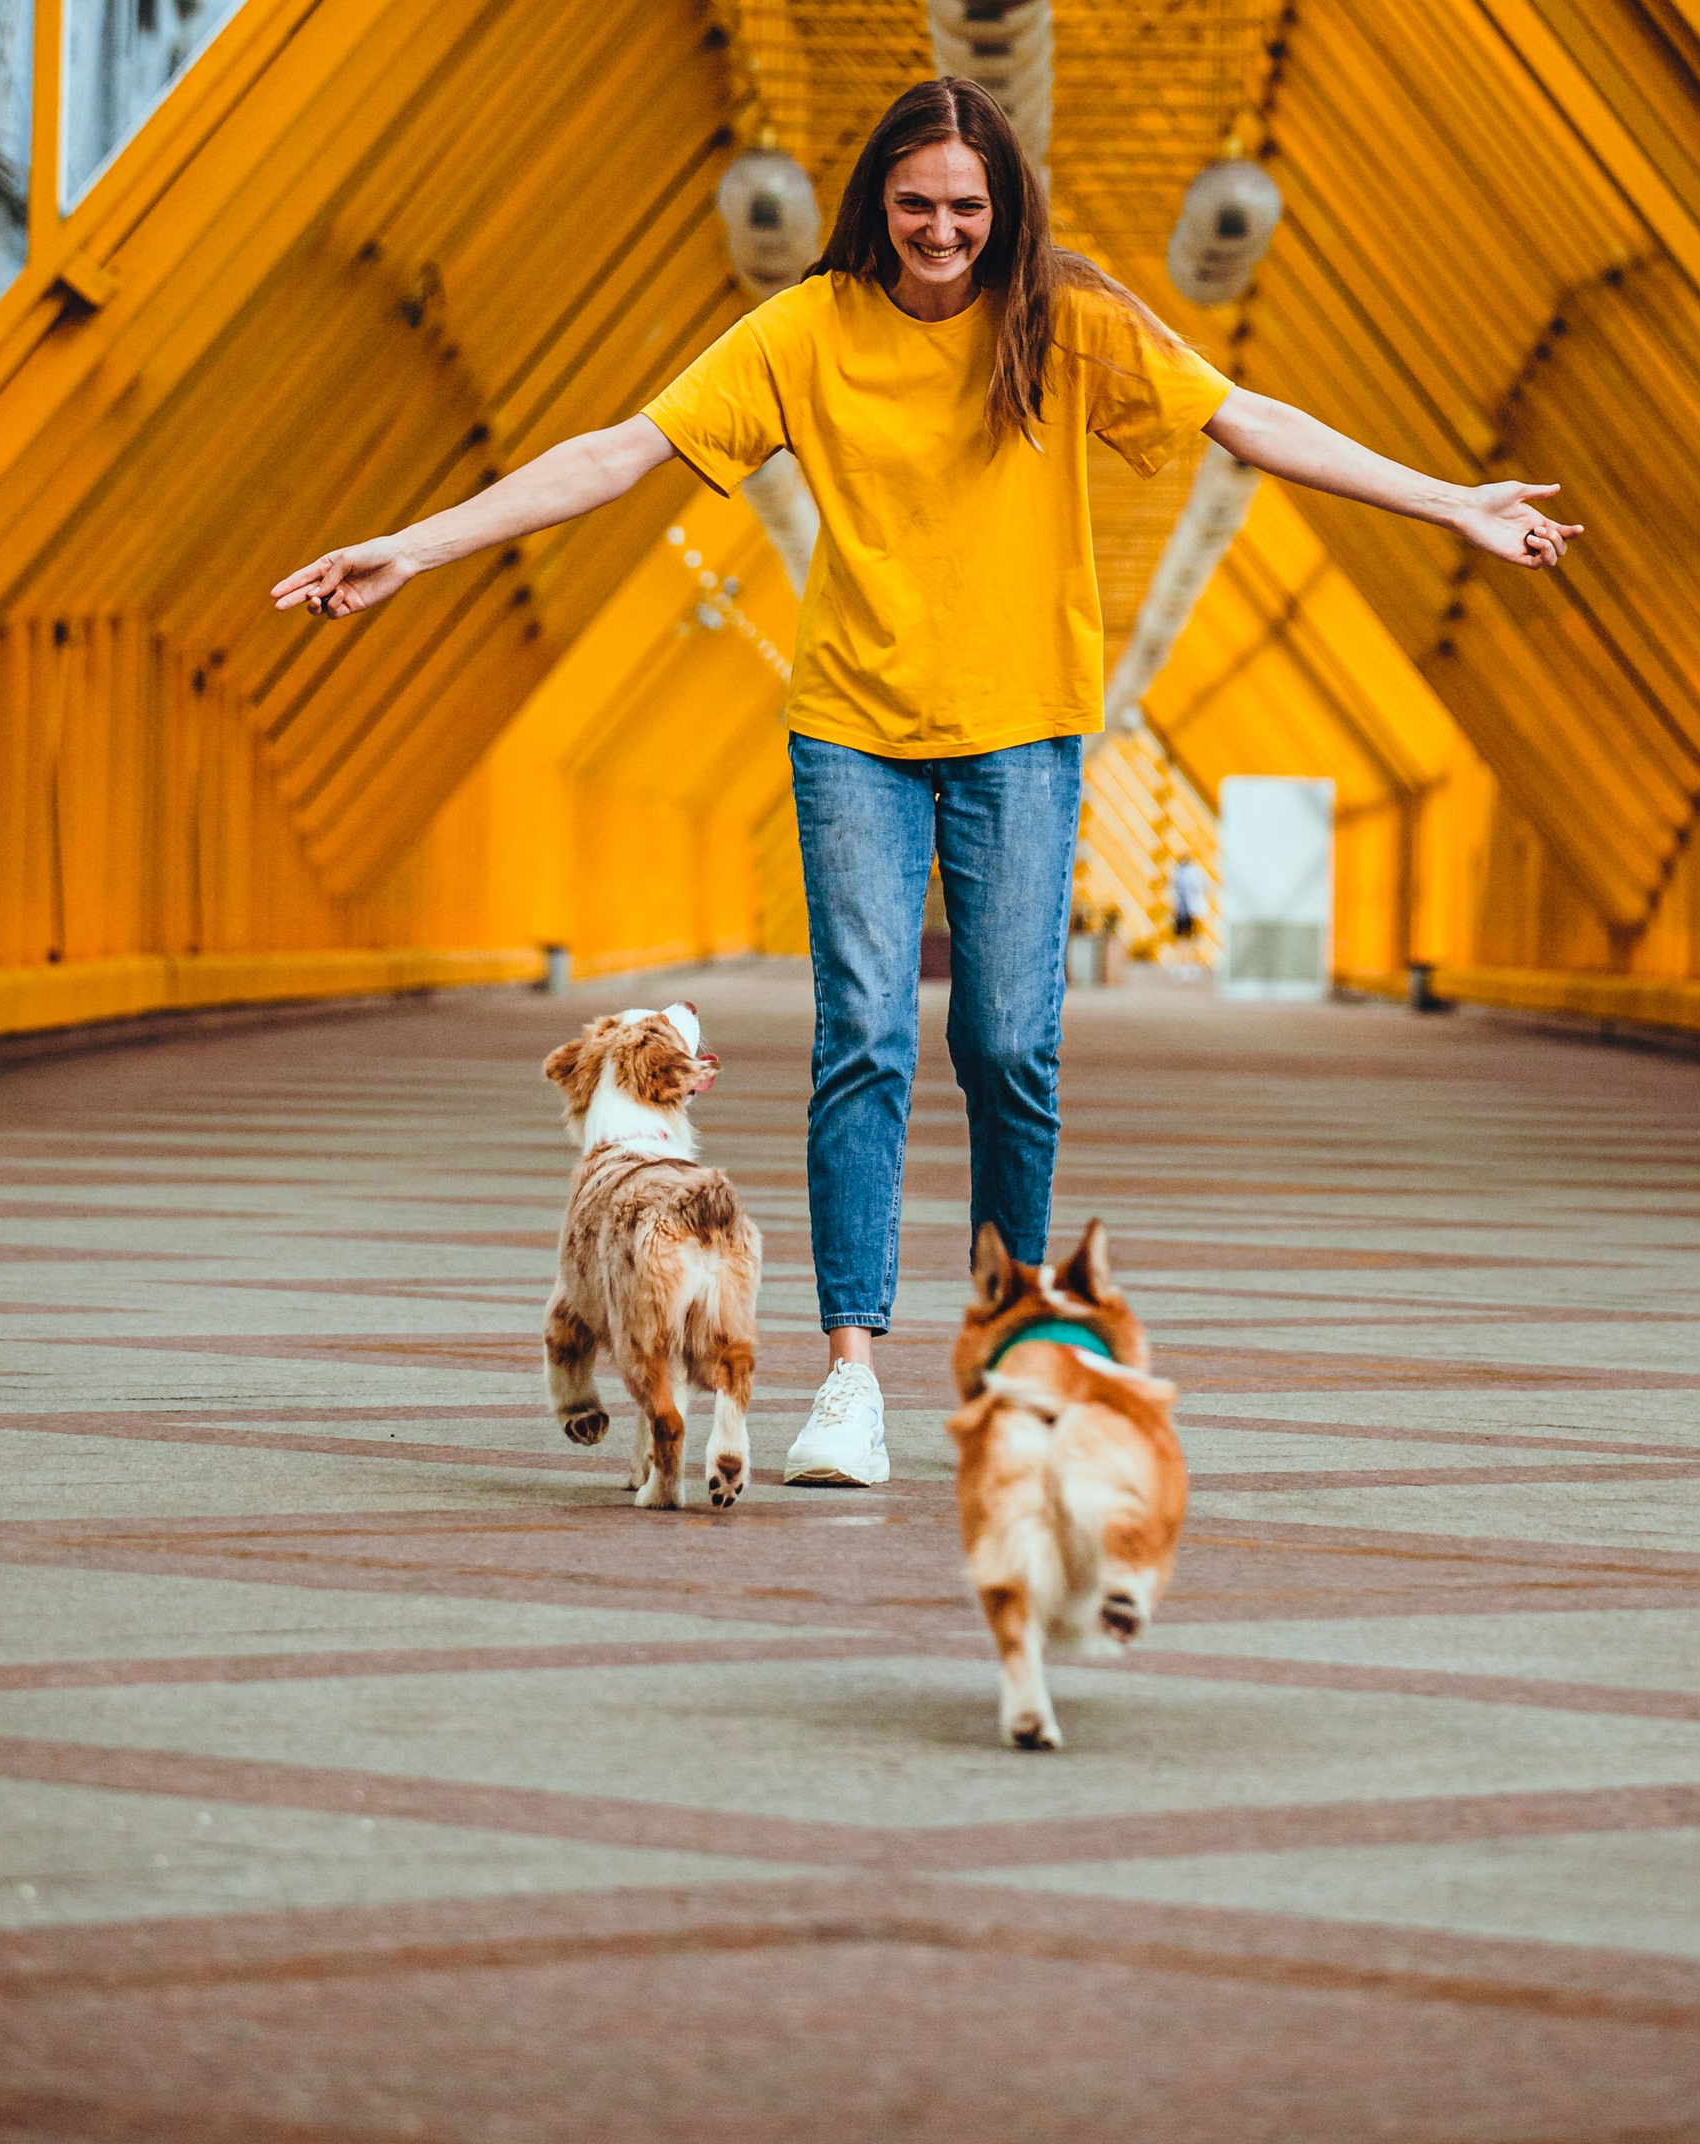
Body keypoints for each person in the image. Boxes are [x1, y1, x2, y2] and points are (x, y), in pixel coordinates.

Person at [271, 77, 1578, 1489]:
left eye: (968, 206)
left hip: (1024, 727)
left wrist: (1451, 500)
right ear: (875, 205)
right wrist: (416, 546)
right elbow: (616, 454)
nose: (943, 231)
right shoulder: (805, 332)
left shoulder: (1063, 321)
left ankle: (1012, 1335)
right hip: (855, 727)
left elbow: (1247, 421)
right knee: (866, 1037)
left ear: (1004, 205)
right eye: (916, 205)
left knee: (1009, 1044)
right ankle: (850, 1378)